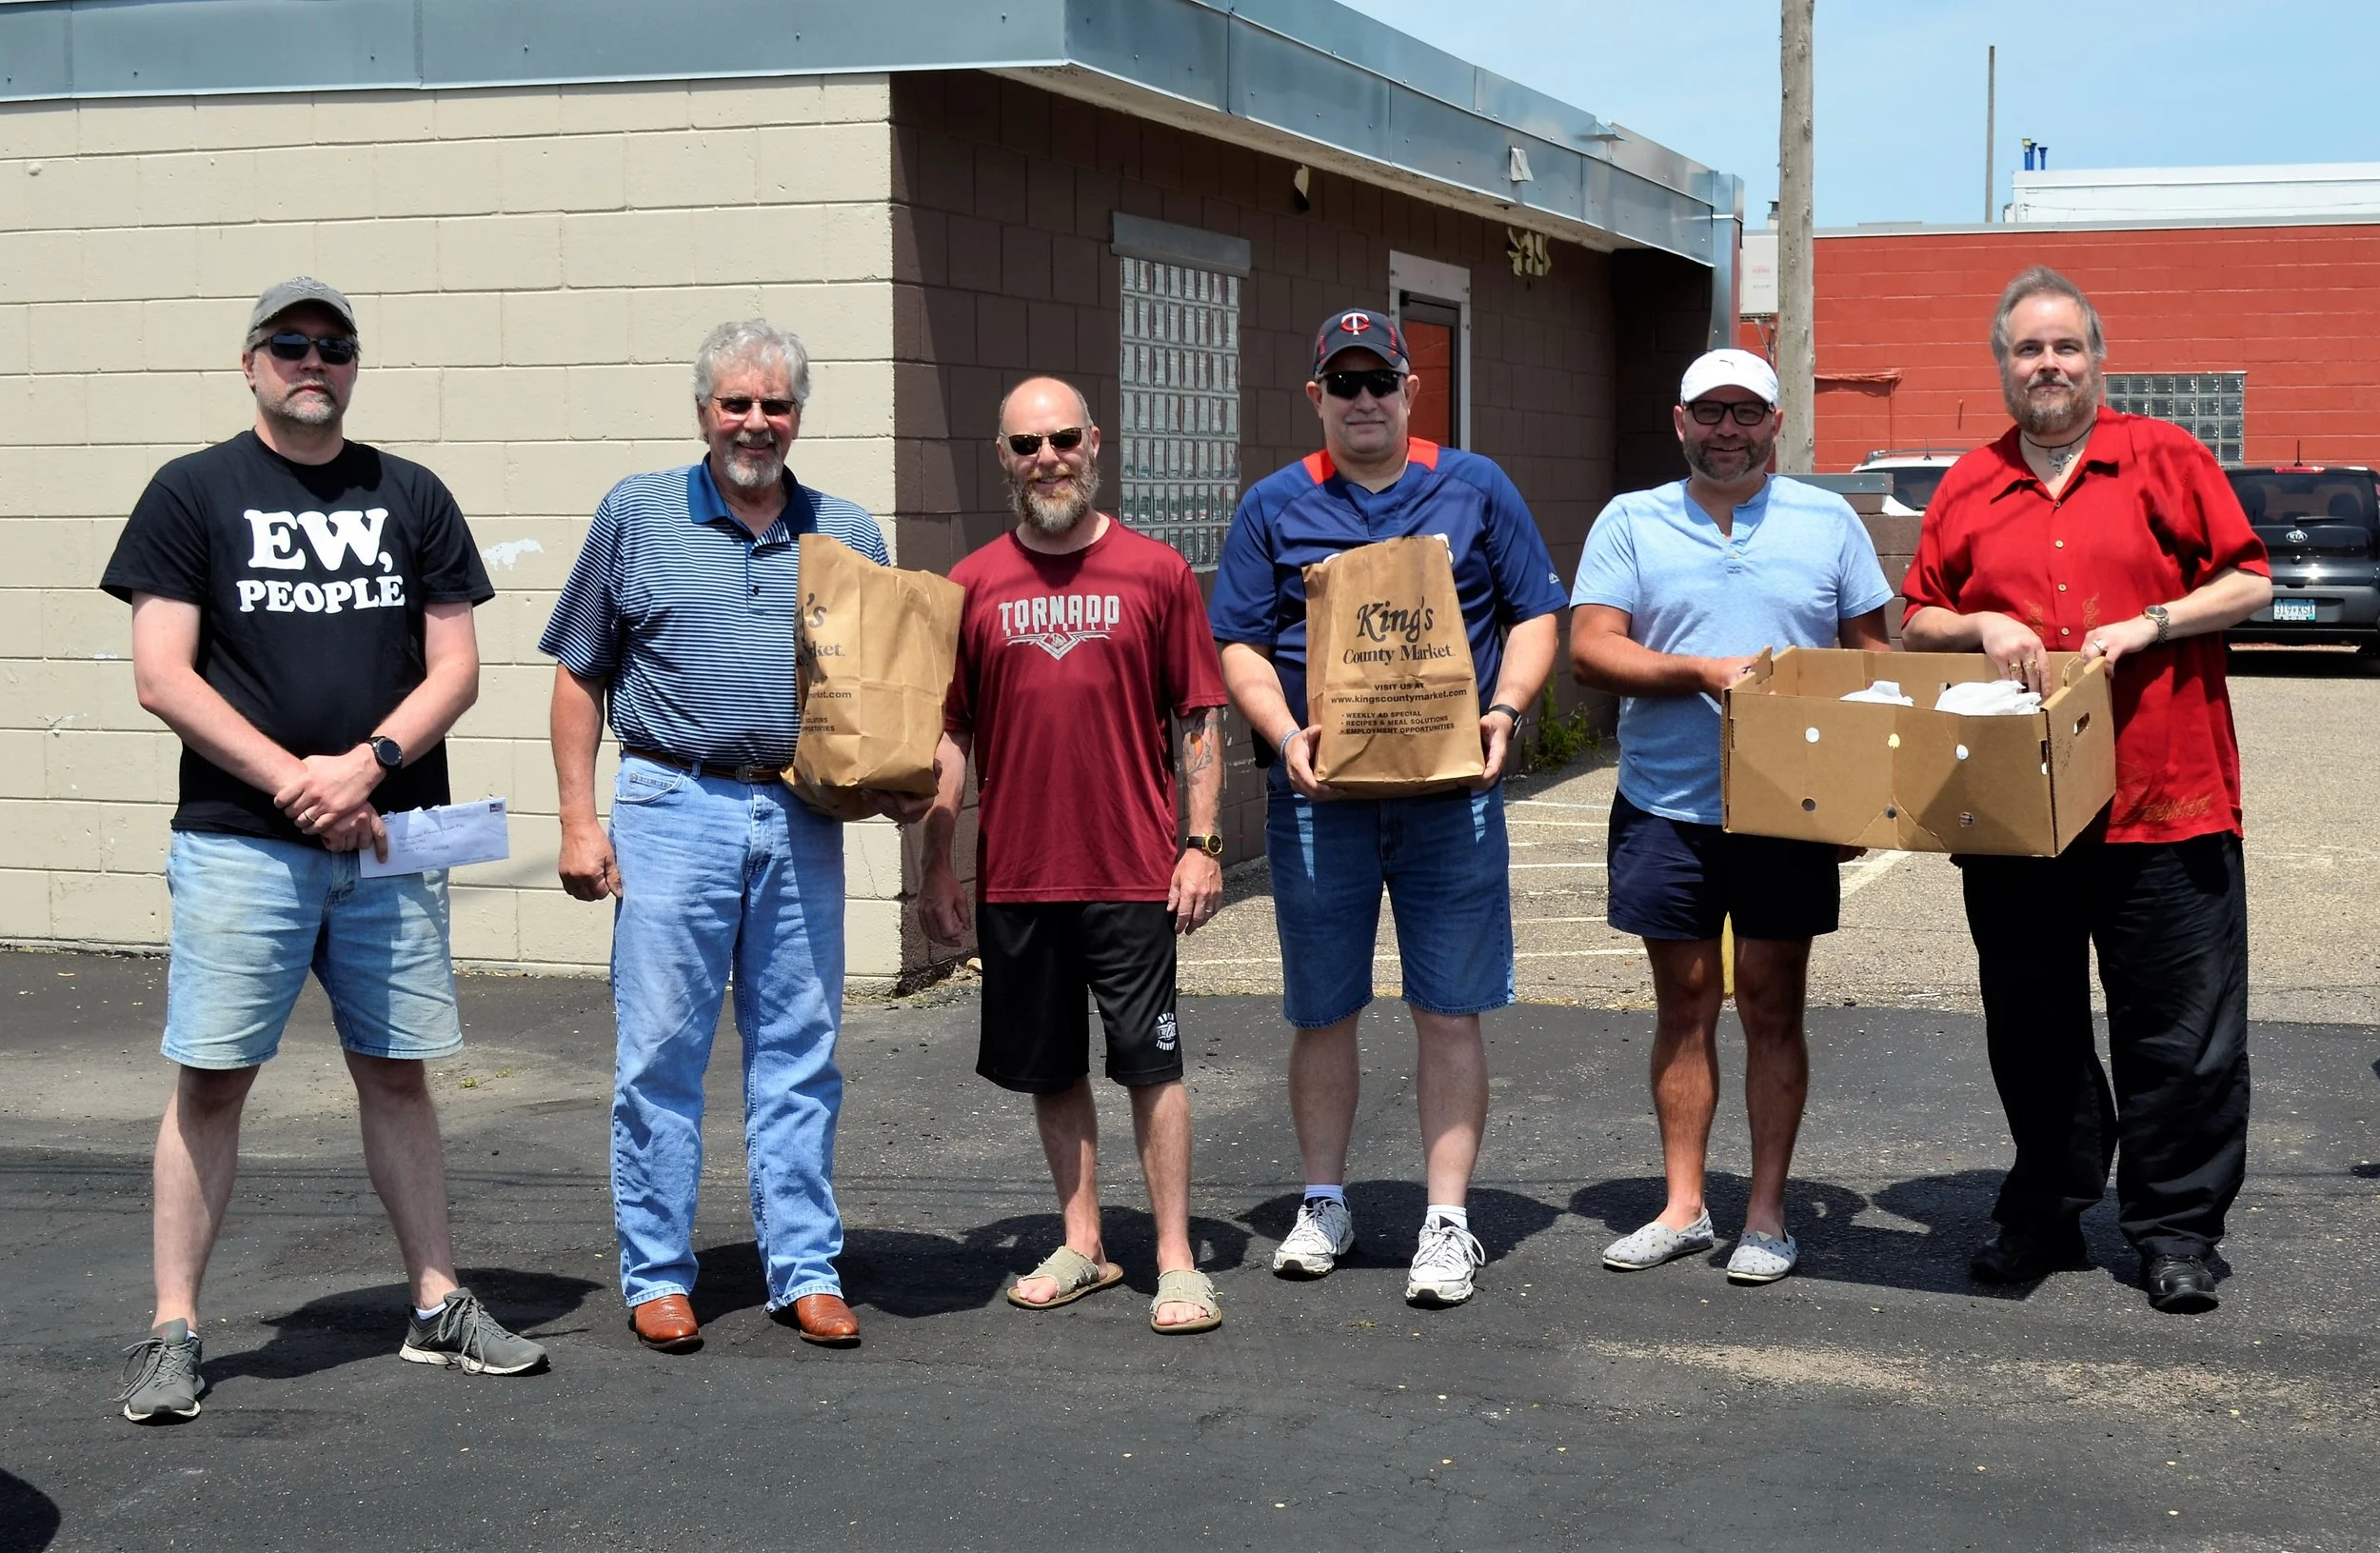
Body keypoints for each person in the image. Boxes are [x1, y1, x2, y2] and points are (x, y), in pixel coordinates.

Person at [101, 277, 545, 1423]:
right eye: (290, 343)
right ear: (249, 362)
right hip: (243, 841)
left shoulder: (410, 493)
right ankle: (174, 1329)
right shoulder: (190, 491)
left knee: (398, 1071)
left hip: (387, 831)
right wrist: (299, 780)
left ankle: (438, 1303)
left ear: (355, 366)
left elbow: (456, 666)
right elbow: (163, 674)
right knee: (212, 1078)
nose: (314, 360)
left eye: (334, 346)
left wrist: (367, 765)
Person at [544, 319, 918, 1354]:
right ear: (703, 409)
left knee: (800, 1052)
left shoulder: (846, 531)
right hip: (672, 805)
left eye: (776, 404)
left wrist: (906, 774)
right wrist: (579, 818)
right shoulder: (637, 513)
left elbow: (882, 687)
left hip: (802, 813)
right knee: (661, 1054)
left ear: (800, 414)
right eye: (737, 403)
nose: (756, 422)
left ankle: (804, 1268)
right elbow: (580, 672)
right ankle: (658, 1273)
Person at [1902, 267, 2271, 1314]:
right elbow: (1918, 615)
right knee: (2032, 1021)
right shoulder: (1969, 485)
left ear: (2097, 359)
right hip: (2019, 810)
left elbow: (2248, 579)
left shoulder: (2165, 456)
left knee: (2179, 1028)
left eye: (2065, 347)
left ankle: (2174, 1229)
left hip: (2167, 794)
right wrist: (1982, 625)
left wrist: (2149, 622)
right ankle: (2048, 1207)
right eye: (2028, 350)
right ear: (2002, 365)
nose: (2048, 366)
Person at [1210, 309, 1567, 1308]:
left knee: (1448, 1008)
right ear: (1316, 394)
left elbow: (1538, 609)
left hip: (1450, 797)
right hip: (1320, 799)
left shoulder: (1475, 485)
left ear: (1411, 390)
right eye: (1345, 383)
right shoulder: (1275, 504)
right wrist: (1284, 735)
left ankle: (1446, 1218)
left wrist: (1505, 711)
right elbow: (1236, 637)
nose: (1364, 399)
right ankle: (1323, 1199)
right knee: (1322, 1007)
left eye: (1382, 382)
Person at [1569, 348, 1894, 1285]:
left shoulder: (1826, 520)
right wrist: (1699, 671)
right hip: (1663, 805)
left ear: (1775, 423)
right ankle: (1680, 1205)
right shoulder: (1630, 520)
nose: (1726, 429)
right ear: (1679, 422)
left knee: (1769, 1002)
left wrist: (1858, 788)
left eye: (1745, 412)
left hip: (1786, 810)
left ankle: (1765, 1212)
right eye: (1708, 411)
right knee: (1683, 1004)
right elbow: (1592, 650)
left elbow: (1869, 659)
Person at [919, 376, 1230, 1336]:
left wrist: (1201, 843)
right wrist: (939, 863)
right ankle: (1085, 1240)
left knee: (1151, 1063)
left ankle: (1175, 1257)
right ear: (1002, 457)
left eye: (1062, 438)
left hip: (1133, 870)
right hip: (1018, 872)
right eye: (1026, 444)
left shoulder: (1155, 571)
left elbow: (1199, 715)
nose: (1047, 457)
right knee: (1051, 1067)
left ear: (1095, 443)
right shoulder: (969, 585)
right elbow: (950, 737)